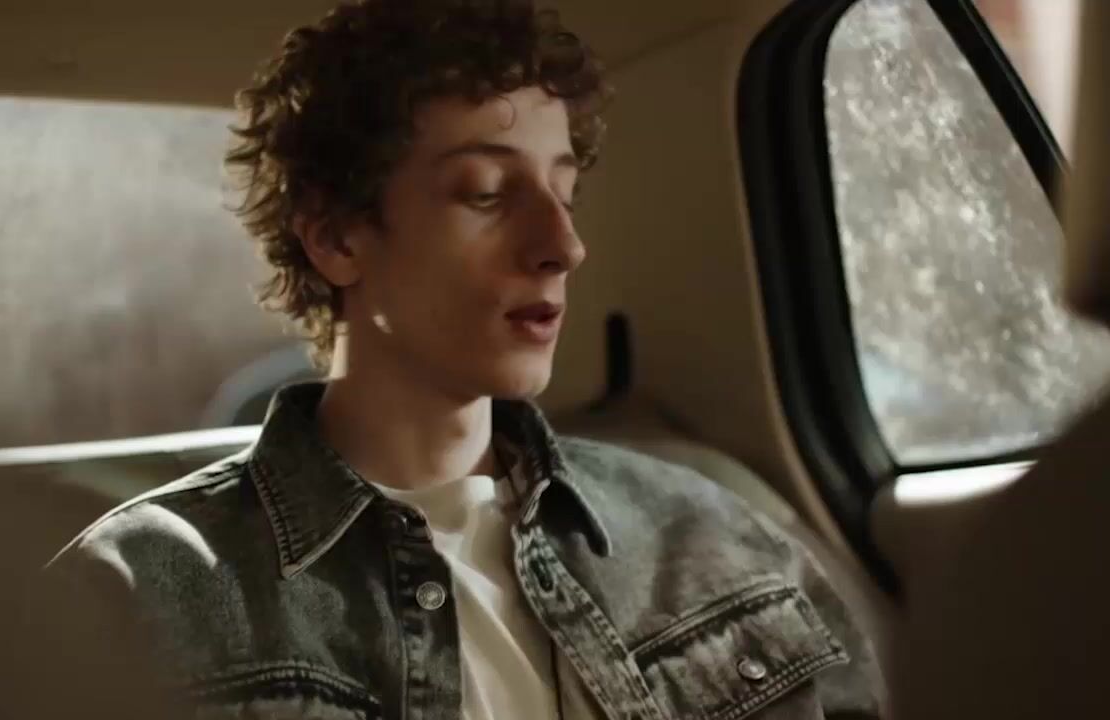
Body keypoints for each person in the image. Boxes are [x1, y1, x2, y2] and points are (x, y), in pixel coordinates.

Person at [48, 1, 883, 717]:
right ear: (338, 236)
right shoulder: (144, 588)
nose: (563, 245)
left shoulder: (713, 537)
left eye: (564, 192)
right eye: (486, 191)